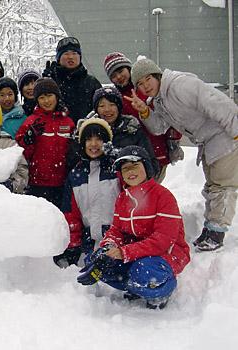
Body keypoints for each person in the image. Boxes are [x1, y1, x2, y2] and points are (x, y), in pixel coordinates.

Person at [128, 58, 238, 251]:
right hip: (208, 142)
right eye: (140, 84)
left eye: (148, 79)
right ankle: (210, 228)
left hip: (224, 136)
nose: (145, 86)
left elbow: (218, 104)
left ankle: (216, 233)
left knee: (223, 185)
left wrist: (236, 132)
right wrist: (145, 111)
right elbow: (160, 127)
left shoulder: (179, 85)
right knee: (213, 186)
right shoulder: (160, 101)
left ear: (156, 75)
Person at [76, 145, 190, 309]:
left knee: (143, 270)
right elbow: (116, 231)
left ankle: (162, 290)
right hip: (135, 255)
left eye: (135, 166)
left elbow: (163, 241)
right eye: (125, 169)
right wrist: (107, 248)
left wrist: (123, 252)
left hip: (165, 255)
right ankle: (136, 287)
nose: (130, 172)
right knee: (96, 261)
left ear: (146, 167)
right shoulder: (123, 198)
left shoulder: (163, 196)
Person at [103, 52, 183, 182]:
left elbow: (169, 115)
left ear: (128, 68)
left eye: (120, 71)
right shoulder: (115, 98)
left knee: (151, 192)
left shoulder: (147, 87)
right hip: (133, 158)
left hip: (158, 151)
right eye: (113, 75)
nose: (119, 77)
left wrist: (174, 140)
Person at [54, 118, 120, 268]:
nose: (94, 144)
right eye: (89, 139)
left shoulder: (117, 170)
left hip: (117, 241)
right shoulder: (76, 175)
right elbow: (71, 214)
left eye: (99, 139)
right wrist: (73, 245)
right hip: (89, 243)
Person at [16, 77, 75, 207]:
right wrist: (28, 140)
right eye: (42, 97)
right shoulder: (31, 121)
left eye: (49, 96)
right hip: (37, 184)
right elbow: (20, 154)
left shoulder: (68, 122)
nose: (46, 101)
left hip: (63, 183)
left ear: (57, 96)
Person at [91, 86, 160, 176]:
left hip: (130, 185)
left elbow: (151, 165)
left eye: (112, 104)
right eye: (102, 106)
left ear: (119, 107)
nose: (107, 109)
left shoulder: (132, 129)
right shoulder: (89, 131)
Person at [42, 36, 102, 123]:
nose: (70, 57)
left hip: (86, 132)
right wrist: (44, 84)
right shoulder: (51, 82)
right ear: (58, 58)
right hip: (56, 133)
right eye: (66, 53)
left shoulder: (91, 82)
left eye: (74, 53)